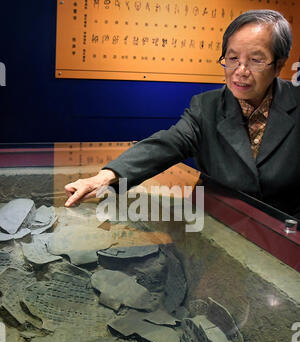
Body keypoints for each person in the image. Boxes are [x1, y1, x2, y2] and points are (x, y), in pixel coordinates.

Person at [65, 9, 300, 218]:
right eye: (232, 58)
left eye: (256, 60)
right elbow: (167, 144)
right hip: (221, 226)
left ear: (279, 65)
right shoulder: (206, 106)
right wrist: (106, 176)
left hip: (286, 235)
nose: (240, 71)